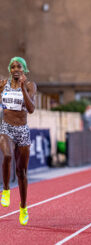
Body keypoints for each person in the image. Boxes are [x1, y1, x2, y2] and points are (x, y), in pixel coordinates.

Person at [0, 57, 37, 225]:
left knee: (21, 172)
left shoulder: (30, 86)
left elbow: (31, 109)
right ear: (10, 69)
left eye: (19, 66)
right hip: (6, 127)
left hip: (22, 130)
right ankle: (6, 189)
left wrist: (22, 88)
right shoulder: (2, 85)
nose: (16, 69)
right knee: (7, 156)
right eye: (13, 66)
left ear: (24, 69)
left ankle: (23, 207)